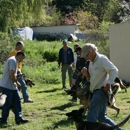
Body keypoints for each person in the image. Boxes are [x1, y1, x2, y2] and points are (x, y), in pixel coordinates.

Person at [81, 43, 123, 130]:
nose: (86, 57)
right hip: (97, 92)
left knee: (90, 118)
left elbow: (114, 70)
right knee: (101, 118)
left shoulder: (101, 59)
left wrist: (108, 84)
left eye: (87, 55)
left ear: (93, 50)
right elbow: (93, 80)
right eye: (85, 56)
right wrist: (86, 75)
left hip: (101, 92)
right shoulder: (91, 63)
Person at [0, 51, 29, 126]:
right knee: (7, 104)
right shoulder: (12, 60)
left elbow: (13, 74)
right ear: (20, 56)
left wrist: (17, 76)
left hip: (12, 86)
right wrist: (17, 82)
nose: (22, 60)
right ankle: (3, 120)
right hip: (7, 86)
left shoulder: (14, 61)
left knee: (17, 101)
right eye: (23, 58)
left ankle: (19, 119)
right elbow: (11, 74)